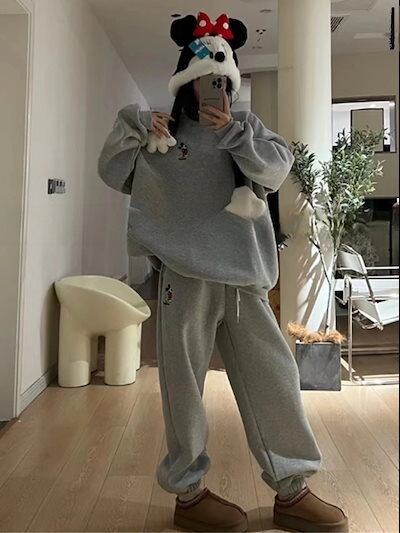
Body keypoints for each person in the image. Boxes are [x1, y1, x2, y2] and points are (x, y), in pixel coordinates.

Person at [98, 12, 349, 533]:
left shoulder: (248, 131)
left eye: (223, 78)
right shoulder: (161, 137)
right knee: (183, 388)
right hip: (184, 278)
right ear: (186, 80)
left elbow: (275, 171)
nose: (215, 86)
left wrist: (235, 134)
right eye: (205, 77)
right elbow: (112, 171)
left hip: (243, 279)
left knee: (274, 379)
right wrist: (135, 127)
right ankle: (188, 495)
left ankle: (293, 489)